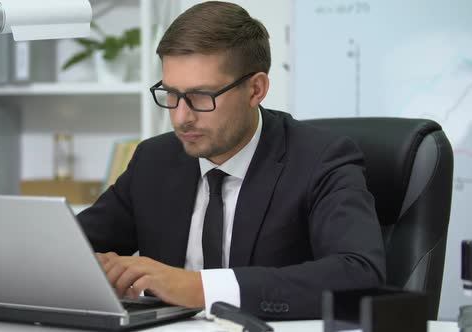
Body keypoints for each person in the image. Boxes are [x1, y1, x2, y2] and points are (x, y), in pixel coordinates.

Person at [77, 1, 385, 319]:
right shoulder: (154, 160)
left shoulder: (321, 159)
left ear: (256, 90)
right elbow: (69, 250)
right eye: (171, 94)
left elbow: (360, 273)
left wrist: (198, 288)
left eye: (201, 96)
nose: (181, 117)